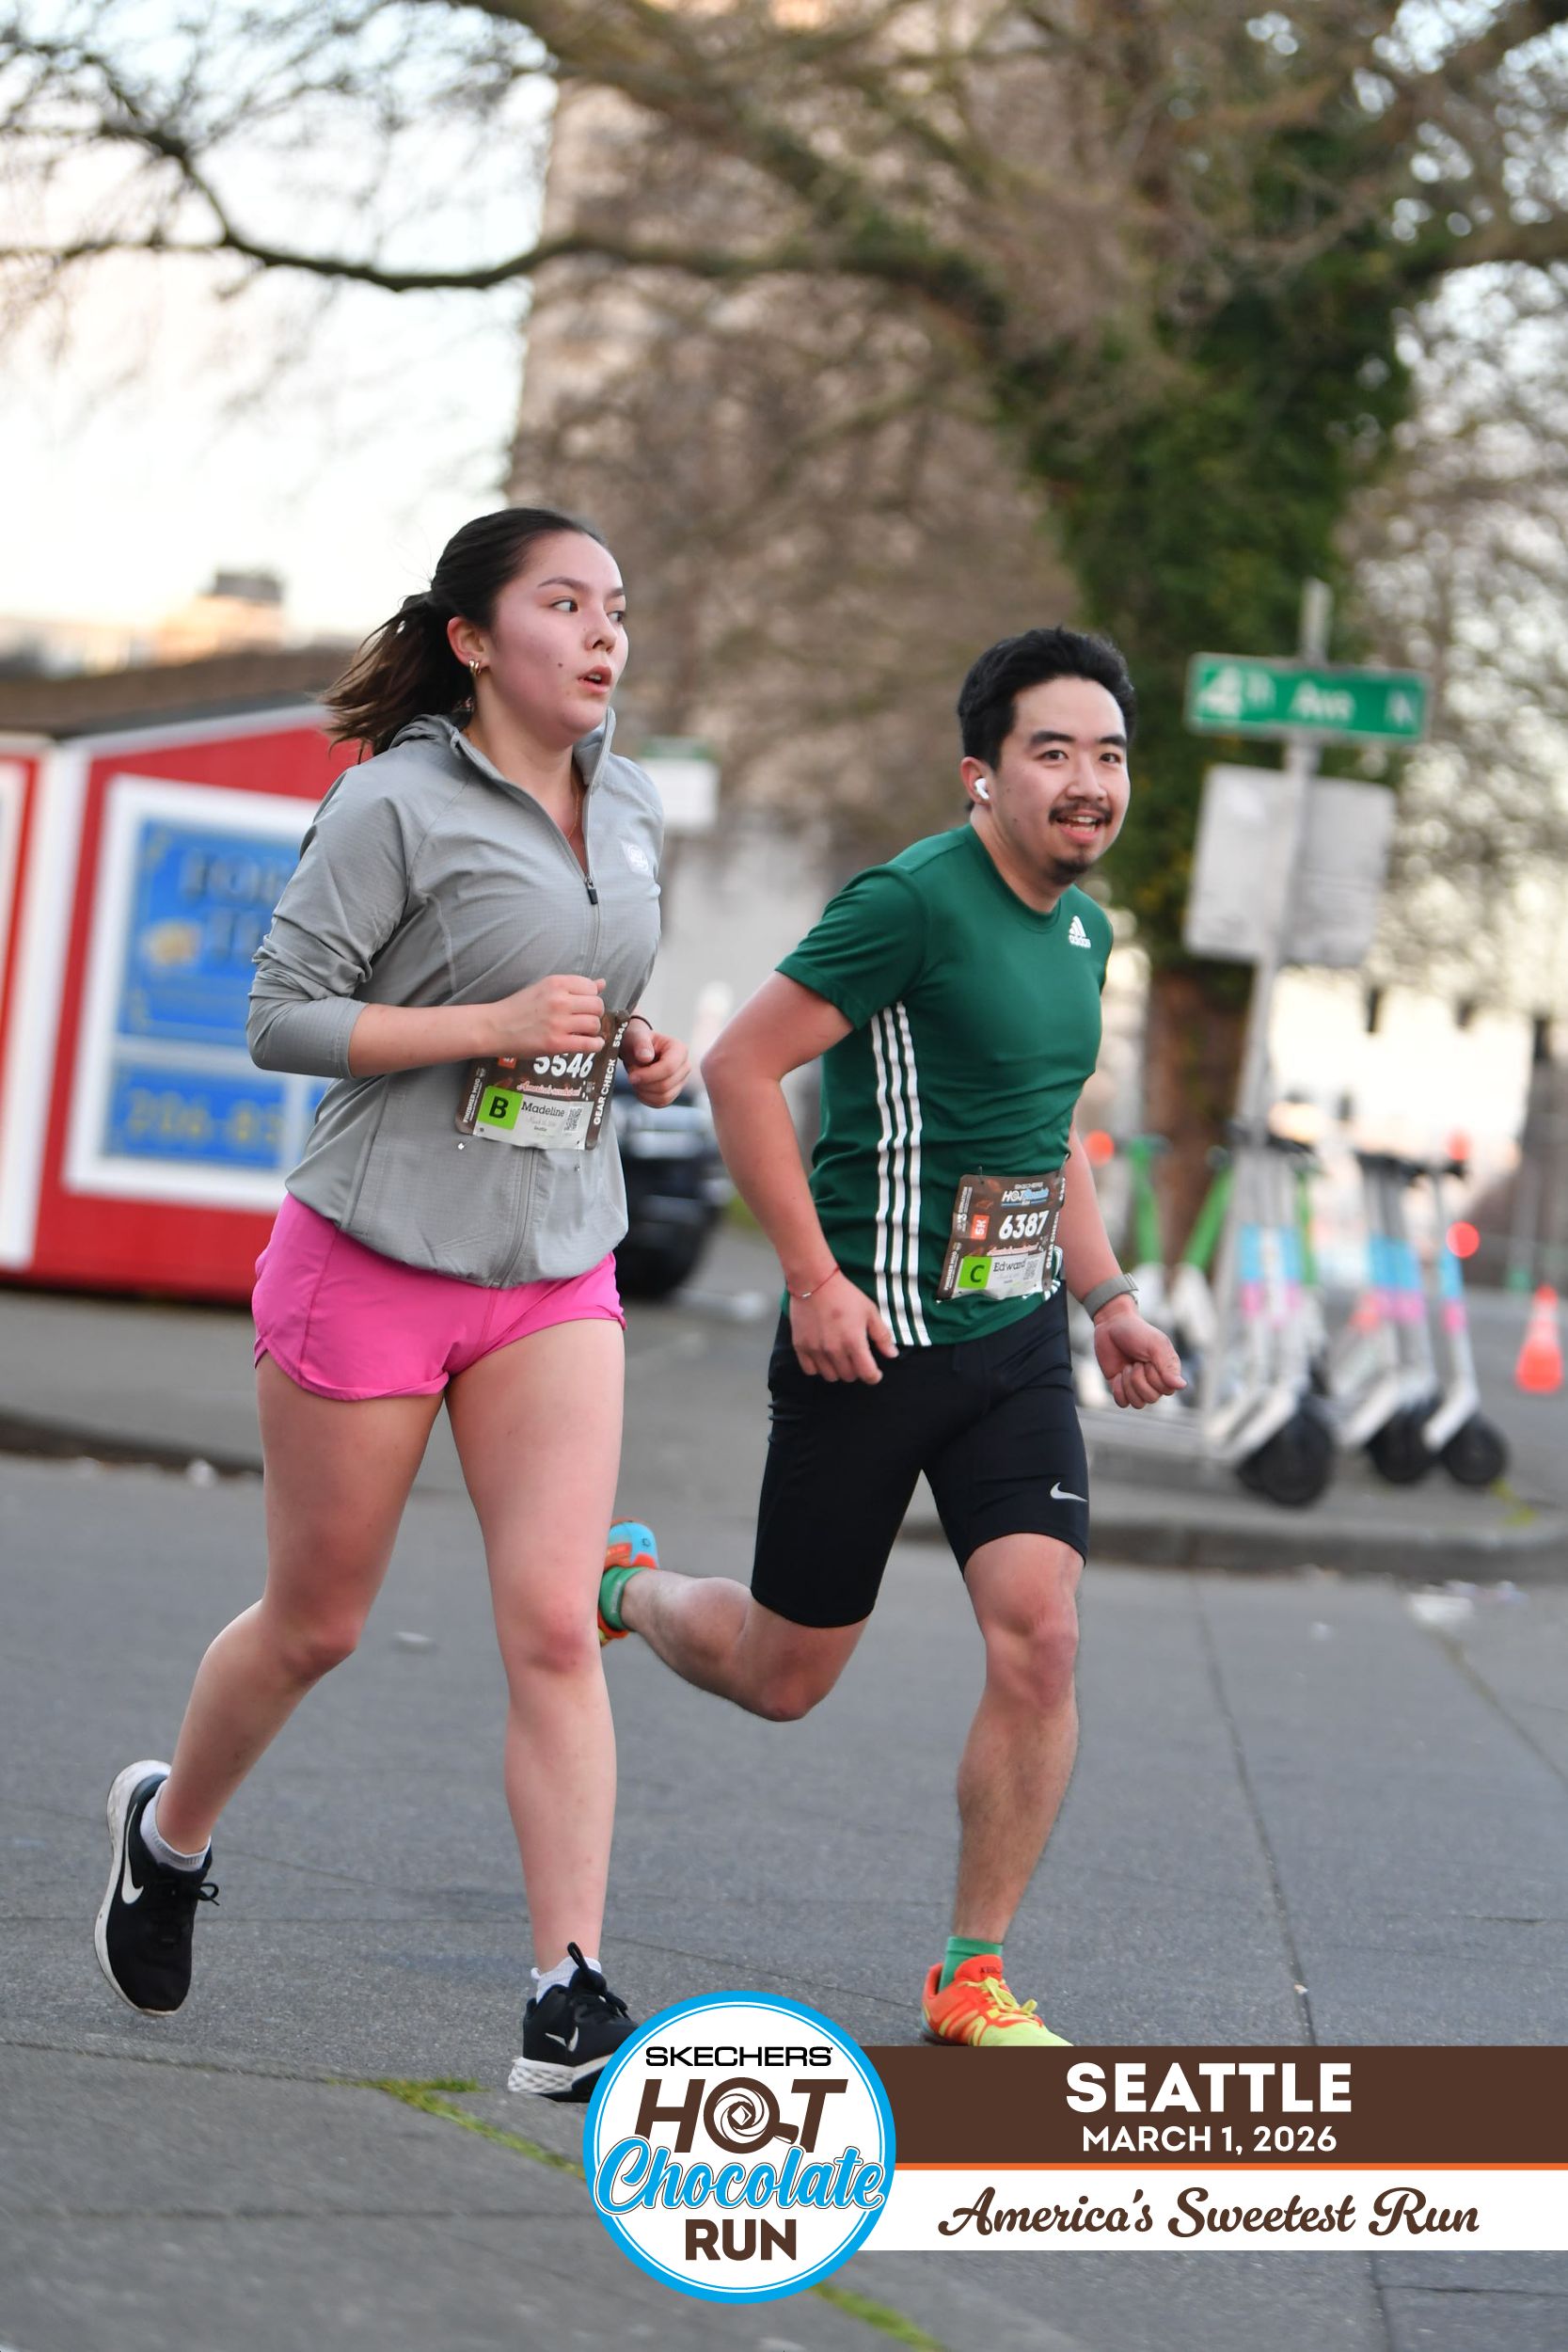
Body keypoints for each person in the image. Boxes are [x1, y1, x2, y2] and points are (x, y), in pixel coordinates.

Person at [95, 505, 689, 2100]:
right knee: (319, 1623)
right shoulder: (392, 803)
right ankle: (167, 1838)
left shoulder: (629, 808)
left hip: (555, 1261)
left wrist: (638, 1045)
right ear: (480, 640)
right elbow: (279, 1020)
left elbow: (595, 991)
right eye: (564, 603)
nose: (603, 631)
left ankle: (567, 1994)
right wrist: (482, 1024)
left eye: (615, 605)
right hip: (372, 1255)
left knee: (559, 1624)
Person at [598, 626, 1183, 2047]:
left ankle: (971, 1974)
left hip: (1011, 1348)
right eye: (1055, 752)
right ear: (983, 773)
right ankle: (628, 1591)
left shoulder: (1090, 932)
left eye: (1108, 755)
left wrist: (1105, 1301)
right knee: (783, 1678)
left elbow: (1046, 1134)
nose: (1087, 781)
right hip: (865, 1345)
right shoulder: (909, 903)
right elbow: (741, 1067)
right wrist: (810, 1279)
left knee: (1040, 1637)